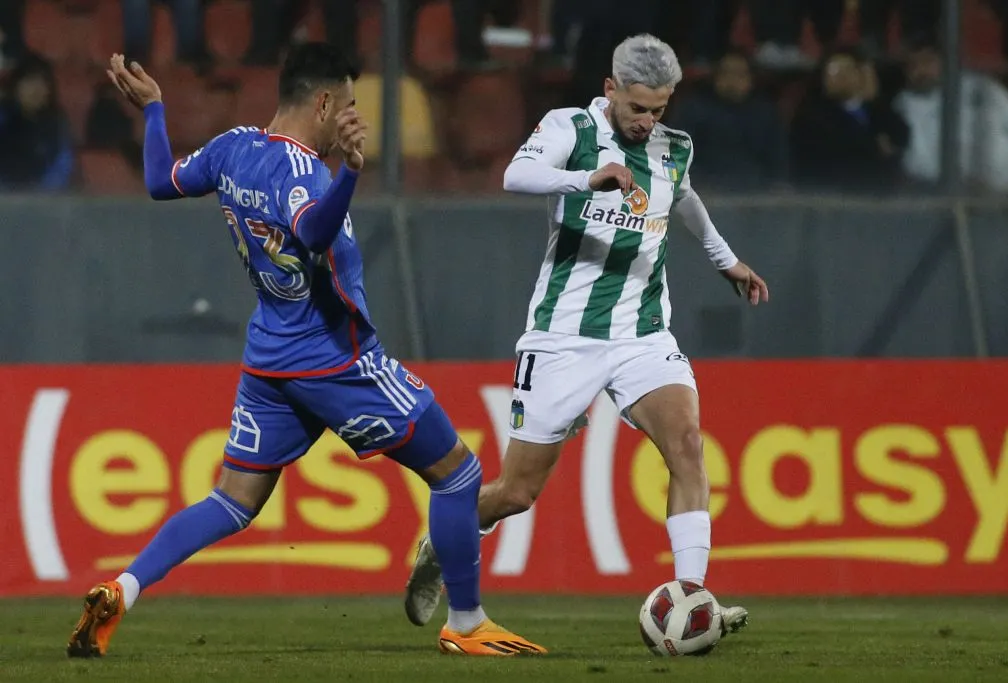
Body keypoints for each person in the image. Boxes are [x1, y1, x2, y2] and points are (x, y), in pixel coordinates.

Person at [66, 43, 544, 659]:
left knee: (231, 500)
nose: (350, 116)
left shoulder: (232, 147)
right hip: (336, 359)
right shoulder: (305, 172)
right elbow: (313, 231)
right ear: (322, 102)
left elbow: (160, 181)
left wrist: (156, 110)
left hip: (270, 358)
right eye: (346, 105)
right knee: (459, 475)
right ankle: (469, 623)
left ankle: (121, 589)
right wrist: (349, 170)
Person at [404, 34, 764, 635]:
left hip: (644, 334)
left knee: (687, 446)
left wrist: (725, 259)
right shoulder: (571, 128)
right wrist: (585, 180)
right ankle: (441, 545)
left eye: (659, 109)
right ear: (610, 90)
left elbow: (684, 198)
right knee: (517, 492)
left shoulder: (674, 148)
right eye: (638, 108)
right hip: (564, 337)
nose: (649, 122)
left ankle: (693, 597)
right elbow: (516, 176)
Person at [894, 43, 1008, 193]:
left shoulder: (983, 87)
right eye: (912, 66)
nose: (920, 71)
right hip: (952, 199)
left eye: (927, 62)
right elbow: (916, 163)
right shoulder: (904, 106)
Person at [790, 49, 909, 192]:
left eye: (847, 70)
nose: (841, 76)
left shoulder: (878, 108)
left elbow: (900, 138)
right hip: (836, 195)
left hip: (880, 194)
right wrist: (875, 145)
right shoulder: (810, 115)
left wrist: (874, 99)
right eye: (833, 71)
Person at [669, 49, 788, 190]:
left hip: (757, 194)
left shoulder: (765, 113)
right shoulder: (694, 110)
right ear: (715, 77)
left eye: (739, 75)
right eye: (726, 73)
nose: (732, 81)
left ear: (751, 79)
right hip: (704, 193)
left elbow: (780, 161)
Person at [0, 53, 74, 192]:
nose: (36, 89)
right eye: (29, 81)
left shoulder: (57, 124)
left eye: (43, 83)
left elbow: (60, 170)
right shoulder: (3, 119)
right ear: (15, 87)